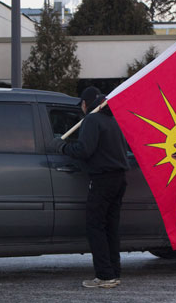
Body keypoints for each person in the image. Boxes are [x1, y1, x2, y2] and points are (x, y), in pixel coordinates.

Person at [50, 86, 130, 289]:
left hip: (103, 180)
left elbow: (85, 150)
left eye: (82, 105)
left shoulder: (92, 120)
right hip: (119, 179)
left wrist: (62, 146)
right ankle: (113, 272)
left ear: (86, 104)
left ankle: (104, 275)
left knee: (95, 227)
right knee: (110, 227)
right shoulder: (114, 119)